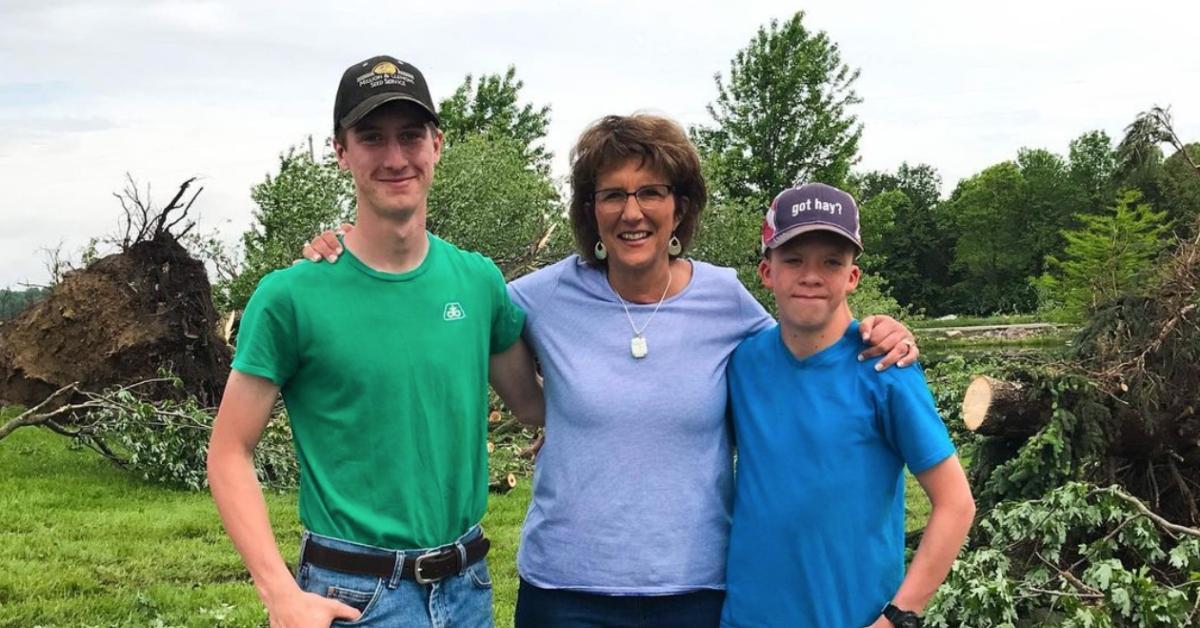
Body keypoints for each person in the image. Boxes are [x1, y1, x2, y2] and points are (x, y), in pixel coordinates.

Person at [305, 114, 919, 627]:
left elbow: (803, 346)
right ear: (590, 210)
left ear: (679, 208)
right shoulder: (538, 296)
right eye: (613, 194)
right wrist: (347, 248)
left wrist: (878, 328)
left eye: (650, 191)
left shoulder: (726, 298)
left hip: (695, 591)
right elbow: (440, 302)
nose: (633, 211)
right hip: (566, 591)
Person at [207, 55, 543, 628]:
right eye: (371, 137)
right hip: (354, 597)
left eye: (411, 136)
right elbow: (228, 452)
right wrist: (279, 593)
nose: (395, 157)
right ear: (341, 150)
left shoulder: (480, 283)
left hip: (467, 591)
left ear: (437, 144)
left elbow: (537, 407)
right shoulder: (291, 297)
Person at [720, 183, 975, 628]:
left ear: (852, 276)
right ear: (766, 271)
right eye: (793, 259)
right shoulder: (742, 364)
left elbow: (956, 503)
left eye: (831, 262)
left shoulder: (886, 369)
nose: (811, 275)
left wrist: (898, 617)